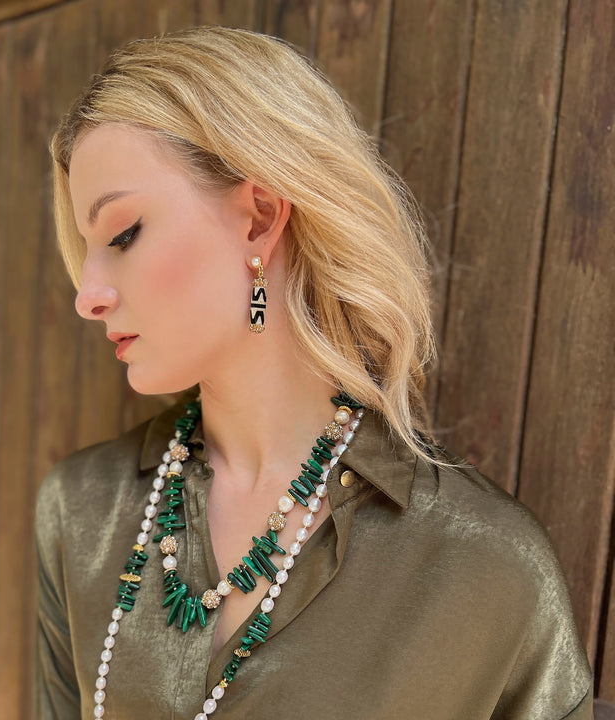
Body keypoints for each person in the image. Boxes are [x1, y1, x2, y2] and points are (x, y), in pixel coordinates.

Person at [35, 26, 593, 720]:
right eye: (87, 249)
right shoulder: (82, 512)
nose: (87, 294)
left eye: (122, 235)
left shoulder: (488, 567)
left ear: (260, 218)